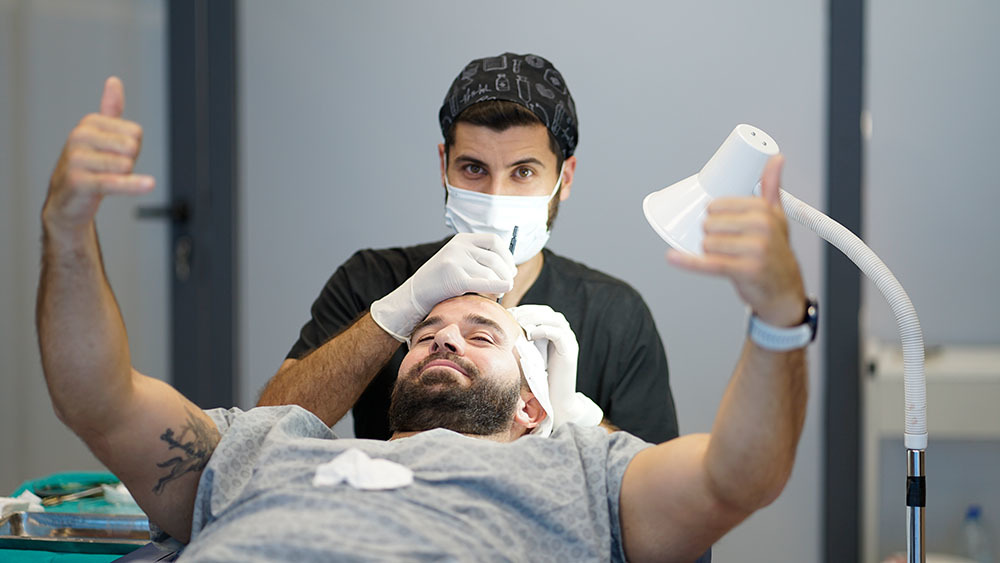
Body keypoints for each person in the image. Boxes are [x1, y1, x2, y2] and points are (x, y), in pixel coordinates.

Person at [37, 76, 811, 562]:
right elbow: (100, 399)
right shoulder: (269, 449)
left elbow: (732, 480)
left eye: (483, 333)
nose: (443, 333)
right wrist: (67, 232)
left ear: (534, 403)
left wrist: (780, 319)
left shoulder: (580, 475)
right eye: (426, 332)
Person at [255, 52, 677, 443]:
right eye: (474, 168)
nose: (496, 196)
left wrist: (572, 415)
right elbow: (266, 430)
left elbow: (661, 482)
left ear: (564, 178)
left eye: (523, 172)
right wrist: (395, 312)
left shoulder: (616, 314)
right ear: (444, 164)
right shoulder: (370, 279)